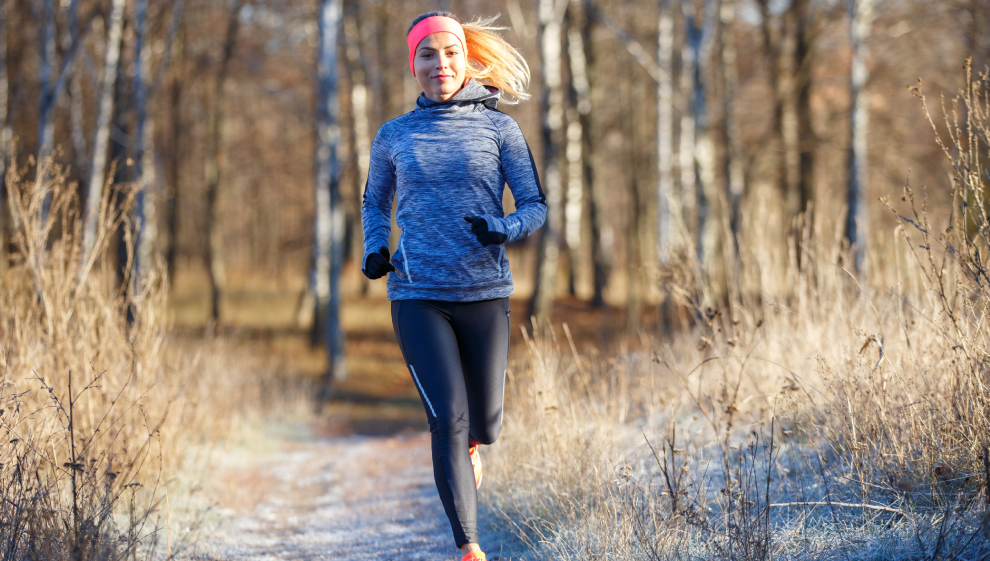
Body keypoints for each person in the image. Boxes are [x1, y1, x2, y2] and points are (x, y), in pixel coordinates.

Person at [360, 11, 546, 561]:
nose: (438, 64)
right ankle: (468, 546)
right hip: (418, 294)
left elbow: (534, 205)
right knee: (447, 416)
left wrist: (504, 228)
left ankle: (471, 447)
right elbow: (375, 202)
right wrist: (375, 248)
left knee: (483, 422)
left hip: (484, 291)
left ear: (465, 58)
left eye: (448, 52)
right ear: (412, 63)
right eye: (426, 54)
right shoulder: (394, 134)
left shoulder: (499, 128)